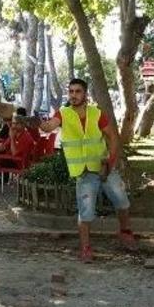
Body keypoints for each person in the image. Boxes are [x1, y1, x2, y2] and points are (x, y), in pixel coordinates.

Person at [40, 78, 136, 262]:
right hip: (83, 172)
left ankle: (125, 232)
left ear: (85, 94)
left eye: (78, 91)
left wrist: (110, 162)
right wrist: (37, 122)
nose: (74, 95)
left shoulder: (96, 114)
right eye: (71, 92)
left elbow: (114, 138)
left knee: (122, 201)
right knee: (86, 212)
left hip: (103, 167)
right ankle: (85, 248)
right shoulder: (63, 113)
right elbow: (48, 126)